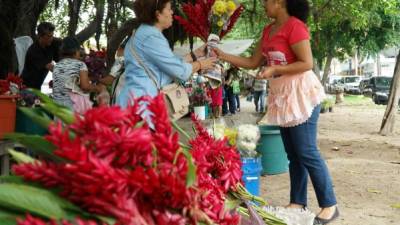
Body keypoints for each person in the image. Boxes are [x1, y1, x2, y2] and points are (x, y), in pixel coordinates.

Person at [213, 0, 339, 224]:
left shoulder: (295, 26)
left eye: (266, 1)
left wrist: (276, 68)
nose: (263, 4)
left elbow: (307, 63)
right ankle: (298, 201)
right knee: (293, 153)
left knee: (306, 150)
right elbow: (252, 62)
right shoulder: (268, 30)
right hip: (283, 96)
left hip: (301, 95)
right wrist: (222, 55)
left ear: (280, 2)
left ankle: (329, 205)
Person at [117, 0, 217, 113]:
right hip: (139, 104)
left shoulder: (144, 32)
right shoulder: (151, 37)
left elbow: (169, 63)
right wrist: (201, 64)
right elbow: (179, 71)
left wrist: (195, 54)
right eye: (169, 9)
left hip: (136, 100)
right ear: (158, 14)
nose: (172, 12)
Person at [52, 37, 107, 114]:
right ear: (76, 51)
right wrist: (98, 88)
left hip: (58, 107)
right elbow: (85, 86)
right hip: (72, 108)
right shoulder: (80, 65)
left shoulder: (57, 66)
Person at [21, 22, 61, 89]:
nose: (51, 38)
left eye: (52, 35)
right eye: (49, 36)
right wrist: (68, 73)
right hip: (26, 86)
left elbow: (61, 59)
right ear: (40, 36)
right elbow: (50, 67)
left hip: (38, 85)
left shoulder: (52, 44)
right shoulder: (33, 51)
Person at [99, 38, 129, 104]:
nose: (117, 52)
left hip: (120, 97)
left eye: (118, 49)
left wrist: (97, 80)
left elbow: (109, 80)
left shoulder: (121, 60)